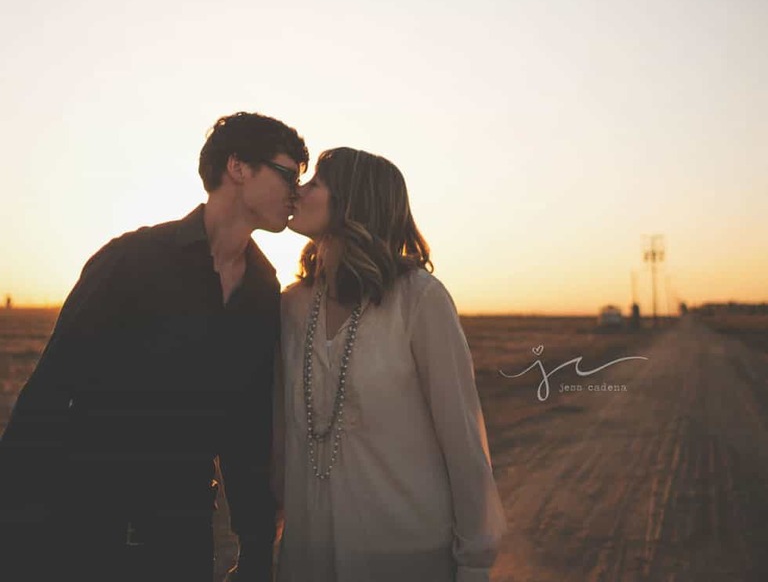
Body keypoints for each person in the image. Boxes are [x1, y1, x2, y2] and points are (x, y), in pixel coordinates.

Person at [0, 111, 308, 582]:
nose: (297, 192)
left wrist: (255, 546)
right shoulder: (131, 259)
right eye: (289, 174)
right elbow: (48, 388)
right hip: (83, 518)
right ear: (238, 168)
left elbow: (246, 425)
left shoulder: (264, 290)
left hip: (180, 531)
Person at [274, 148, 506, 582]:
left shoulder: (420, 300)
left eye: (315, 183)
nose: (298, 191)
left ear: (352, 201)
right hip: (308, 555)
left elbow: (463, 439)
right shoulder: (290, 307)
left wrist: (475, 562)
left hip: (406, 556)